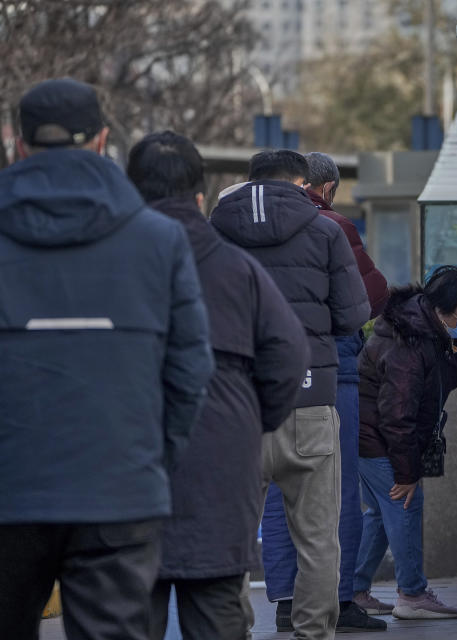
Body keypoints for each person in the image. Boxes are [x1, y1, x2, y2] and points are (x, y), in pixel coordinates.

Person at [0, 79, 214, 639]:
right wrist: (152, 456)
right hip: (120, 488)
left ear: (18, 143)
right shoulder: (158, 240)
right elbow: (191, 368)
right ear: (101, 140)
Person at [126, 131, 311, 640]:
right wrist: (252, 417)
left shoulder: (107, 265)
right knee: (216, 611)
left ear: (130, 193)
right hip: (222, 458)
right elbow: (289, 354)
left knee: (125, 610)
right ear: (201, 196)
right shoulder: (239, 269)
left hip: (127, 467)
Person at [211, 150, 371, 640]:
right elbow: (351, 315)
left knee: (230, 541)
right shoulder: (327, 230)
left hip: (237, 406)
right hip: (310, 400)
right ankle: (312, 634)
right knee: (319, 540)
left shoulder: (214, 230)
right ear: (304, 182)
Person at [259, 151, 390, 633]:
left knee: (276, 491)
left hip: (266, 375)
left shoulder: (242, 227)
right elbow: (367, 299)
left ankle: (285, 601)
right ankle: (339, 599)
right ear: (328, 187)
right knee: (335, 488)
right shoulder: (333, 227)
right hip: (329, 371)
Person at [353, 267, 457, 619]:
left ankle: (354, 590)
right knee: (405, 505)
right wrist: (407, 472)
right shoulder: (408, 343)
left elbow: (442, 378)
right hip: (380, 440)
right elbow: (397, 416)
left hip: (373, 436)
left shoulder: (423, 331)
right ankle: (413, 596)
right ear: (443, 309)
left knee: (379, 515)